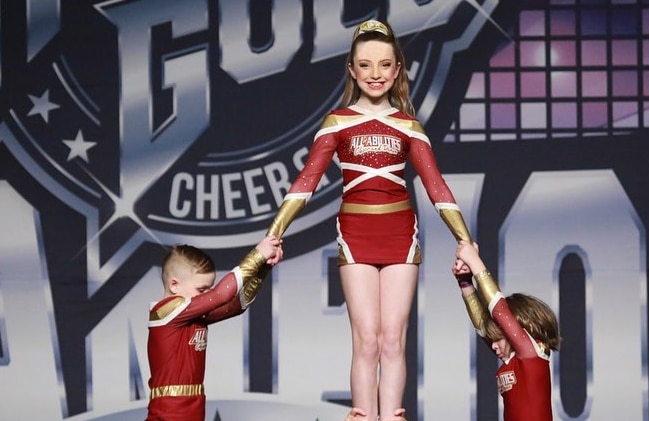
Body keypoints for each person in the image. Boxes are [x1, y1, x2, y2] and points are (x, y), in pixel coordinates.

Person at [264, 19, 472, 421]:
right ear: (352, 70)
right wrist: (273, 234)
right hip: (356, 233)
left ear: (397, 70)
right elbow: (306, 181)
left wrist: (464, 238)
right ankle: (362, 415)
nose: (375, 74)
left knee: (393, 340)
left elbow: (436, 187)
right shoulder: (337, 122)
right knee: (366, 340)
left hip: (400, 234)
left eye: (384, 65)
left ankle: (391, 415)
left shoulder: (409, 126)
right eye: (365, 65)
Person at [145, 235, 282, 421]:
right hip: (168, 413)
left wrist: (262, 269)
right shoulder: (165, 312)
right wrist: (257, 255)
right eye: (201, 290)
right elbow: (220, 295)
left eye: (208, 289)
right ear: (174, 285)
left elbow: (235, 306)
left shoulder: (194, 316)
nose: (206, 294)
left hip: (193, 409)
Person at [453, 241, 561, 421]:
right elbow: (481, 324)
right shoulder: (514, 360)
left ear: (528, 329)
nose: (493, 346)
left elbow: (499, 310)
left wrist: (474, 261)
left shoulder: (531, 356)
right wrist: (464, 282)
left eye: (499, 339)